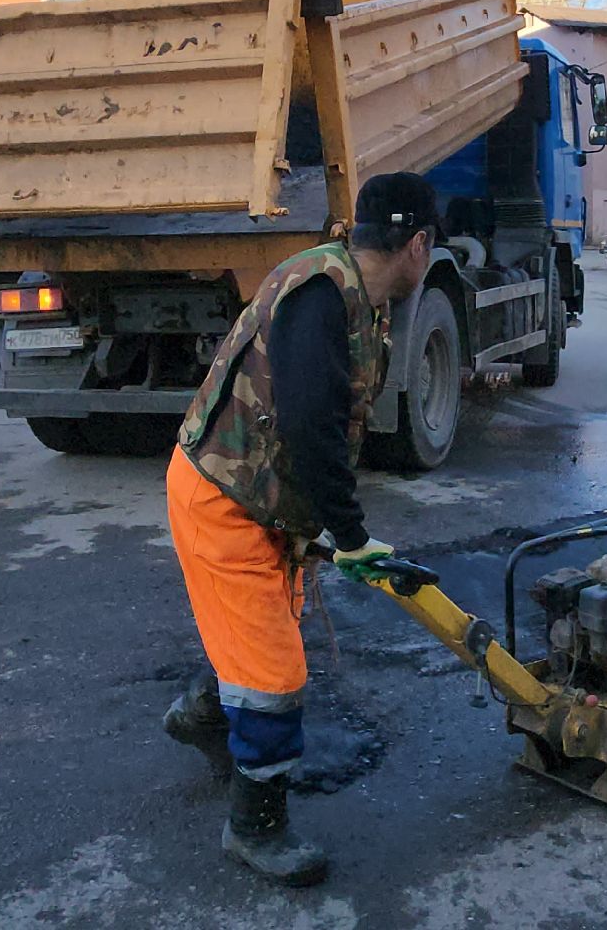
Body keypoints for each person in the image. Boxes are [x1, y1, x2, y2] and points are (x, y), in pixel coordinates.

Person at [162, 172, 441, 886]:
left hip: (254, 495)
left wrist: (325, 530)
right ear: (417, 244)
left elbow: (323, 428)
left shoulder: (355, 292)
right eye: (429, 245)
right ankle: (254, 830)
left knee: (259, 633)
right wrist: (348, 535)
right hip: (223, 499)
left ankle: (201, 716)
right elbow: (312, 426)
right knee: (274, 675)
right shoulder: (321, 294)